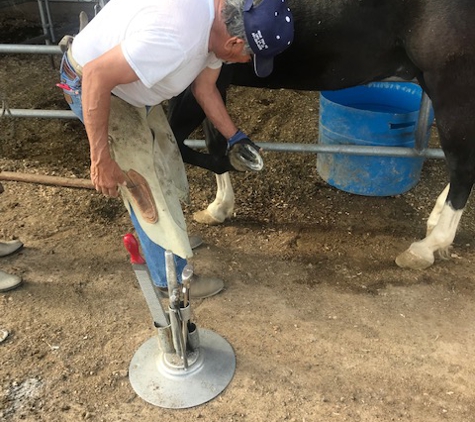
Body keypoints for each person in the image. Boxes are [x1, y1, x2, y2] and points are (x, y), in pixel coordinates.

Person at [58, 0, 294, 298]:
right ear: (234, 40)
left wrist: (236, 137)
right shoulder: (176, 38)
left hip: (125, 88)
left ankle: (172, 241)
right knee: (144, 184)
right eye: (249, 56)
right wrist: (100, 159)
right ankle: (172, 282)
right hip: (94, 87)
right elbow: (95, 75)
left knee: (166, 163)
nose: (247, 62)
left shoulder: (217, 19)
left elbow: (204, 89)